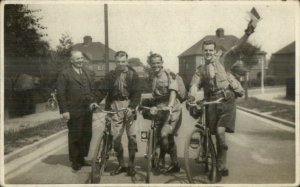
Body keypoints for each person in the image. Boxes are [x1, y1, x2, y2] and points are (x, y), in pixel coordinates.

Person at [188, 23, 256, 177]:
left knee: (219, 132)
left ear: (214, 51)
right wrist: (191, 96)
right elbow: (193, 85)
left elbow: (237, 47)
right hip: (211, 102)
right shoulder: (200, 70)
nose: (208, 53)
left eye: (211, 50)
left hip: (226, 101)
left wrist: (247, 33)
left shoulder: (223, 60)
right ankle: (206, 151)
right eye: (205, 51)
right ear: (203, 52)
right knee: (207, 130)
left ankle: (222, 164)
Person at [91, 51, 141, 177]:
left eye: (123, 61)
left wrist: (132, 107)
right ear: (115, 62)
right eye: (118, 62)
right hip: (115, 106)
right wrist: (95, 102)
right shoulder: (111, 75)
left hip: (129, 105)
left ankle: (131, 165)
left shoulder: (132, 75)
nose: (120, 64)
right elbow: (102, 90)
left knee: (131, 138)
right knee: (115, 139)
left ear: (127, 61)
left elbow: (136, 93)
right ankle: (121, 164)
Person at [143, 53, 182, 173]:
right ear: (150, 64)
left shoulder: (169, 74)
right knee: (165, 137)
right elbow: (155, 95)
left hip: (172, 109)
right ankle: (175, 163)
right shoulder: (152, 76)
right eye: (153, 63)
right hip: (159, 108)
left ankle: (161, 158)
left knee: (165, 135)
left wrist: (169, 106)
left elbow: (173, 92)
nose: (156, 65)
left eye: (158, 63)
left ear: (162, 63)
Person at [56, 50, 95, 171]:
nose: (80, 61)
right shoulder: (65, 74)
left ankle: (82, 158)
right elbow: (61, 93)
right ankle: (75, 161)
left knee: (86, 135)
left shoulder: (87, 72)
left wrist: (93, 101)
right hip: (73, 110)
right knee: (75, 135)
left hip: (87, 109)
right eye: (77, 59)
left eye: (81, 58)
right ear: (71, 60)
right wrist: (64, 110)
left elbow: (91, 88)